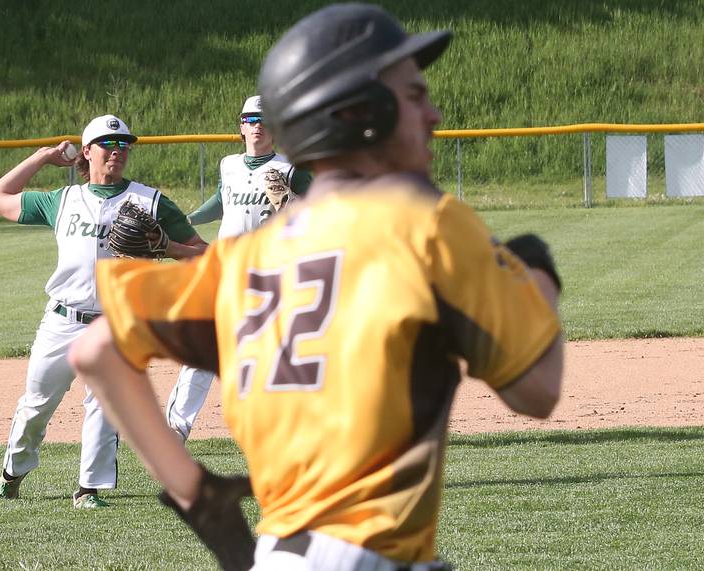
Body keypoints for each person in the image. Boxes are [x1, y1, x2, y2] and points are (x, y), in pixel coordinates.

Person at [69, 3, 564, 570]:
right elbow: (537, 391)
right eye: (413, 95)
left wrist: (197, 496)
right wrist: (540, 274)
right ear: (363, 113)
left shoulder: (241, 261)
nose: (433, 114)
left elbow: (97, 350)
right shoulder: (422, 225)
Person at [0, 114, 207, 509]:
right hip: (62, 319)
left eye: (124, 144)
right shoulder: (63, 199)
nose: (118, 150)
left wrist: (170, 248)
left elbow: (204, 255)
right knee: (36, 406)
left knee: (106, 405)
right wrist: (40, 157)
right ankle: (12, 473)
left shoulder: (151, 201)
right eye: (108, 143)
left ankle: (88, 489)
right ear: (87, 152)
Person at [166, 95, 312, 442]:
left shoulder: (292, 167)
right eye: (250, 119)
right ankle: (176, 427)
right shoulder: (228, 165)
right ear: (241, 127)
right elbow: (221, 201)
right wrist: (187, 219)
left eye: (264, 119)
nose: (257, 125)